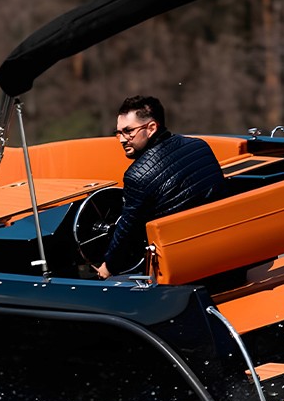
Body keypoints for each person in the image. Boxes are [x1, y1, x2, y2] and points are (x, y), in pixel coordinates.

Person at [96, 95, 225, 278]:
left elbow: (126, 231)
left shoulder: (137, 175)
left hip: (184, 269)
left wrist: (108, 267)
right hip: (225, 251)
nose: (122, 140)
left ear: (151, 128)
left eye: (128, 131)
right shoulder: (199, 146)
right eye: (119, 133)